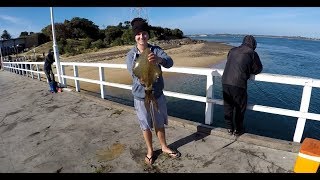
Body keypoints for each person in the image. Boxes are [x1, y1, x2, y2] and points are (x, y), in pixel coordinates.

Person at [126, 18, 180, 165]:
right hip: (140, 96)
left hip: (157, 94)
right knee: (145, 125)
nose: (141, 36)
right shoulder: (131, 55)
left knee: (159, 122)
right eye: (138, 34)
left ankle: (164, 147)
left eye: (144, 33)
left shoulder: (156, 50)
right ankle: (150, 150)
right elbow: (133, 73)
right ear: (134, 36)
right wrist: (142, 81)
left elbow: (170, 62)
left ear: (148, 35)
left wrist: (159, 60)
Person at [221, 35, 263, 137]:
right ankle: (238, 130)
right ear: (254, 44)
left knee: (228, 106)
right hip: (238, 84)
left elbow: (230, 61)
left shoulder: (233, 50)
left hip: (225, 80)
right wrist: (249, 70)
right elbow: (258, 69)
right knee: (240, 108)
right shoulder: (252, 53)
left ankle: (229, 128)